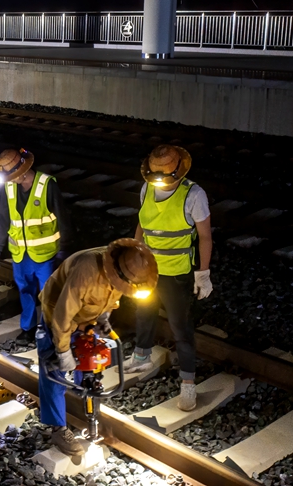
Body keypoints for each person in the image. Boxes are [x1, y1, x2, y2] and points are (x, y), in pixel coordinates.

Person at [36, 239, 158, 456]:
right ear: (116, 273)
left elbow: (112, 296)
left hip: (86, 316)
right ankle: (57, 428)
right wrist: (63, 352)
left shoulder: (125, 267)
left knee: (90, 362)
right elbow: (62, 315)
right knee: (54, 372)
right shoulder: (86, 271)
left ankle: (83, 399)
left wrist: (103, 317)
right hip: (57, 313)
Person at [124, 145, 213, 412]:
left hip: (176, 275)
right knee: (144, 311)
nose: (159, 182)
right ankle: (141, 356)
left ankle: (188, 383)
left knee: (180, 328)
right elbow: (142, 224)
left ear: (179, 172)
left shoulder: (194, 195)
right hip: (148, 270)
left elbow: (205, 237)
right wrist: (135, 255)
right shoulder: (147, 188)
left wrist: (203, 273)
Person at [0, 148, 72, 347]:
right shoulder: (9, 187)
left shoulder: (47, 185)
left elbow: (63, 218)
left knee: (48, 295)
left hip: (45, 254)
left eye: (13, 176)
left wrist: (64, 248)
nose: (11, 180)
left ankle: (47, 330)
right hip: (20, 254)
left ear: (24, 170)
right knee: (25, 291)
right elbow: (4, 218)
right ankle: (27, 329)